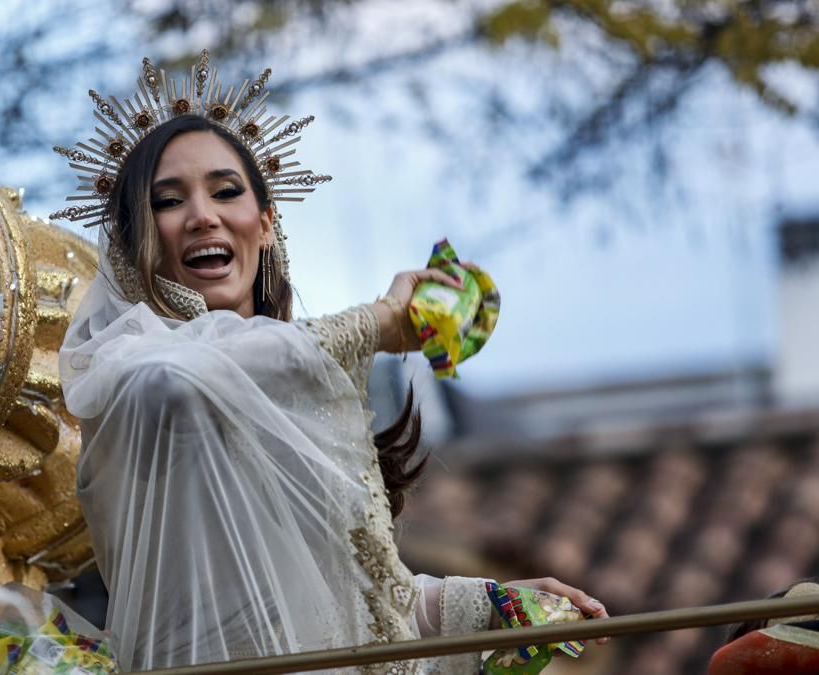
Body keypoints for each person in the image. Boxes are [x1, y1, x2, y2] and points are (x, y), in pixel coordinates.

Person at [54, 51, 606, 673]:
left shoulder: (305, 390)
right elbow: (179, 384)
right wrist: (372, 325)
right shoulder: (126, 372)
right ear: (136, 243)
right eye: (168, 201)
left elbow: (363, 603)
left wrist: (491, 604)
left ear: (265, 224)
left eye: (226, 192)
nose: (203, 215)